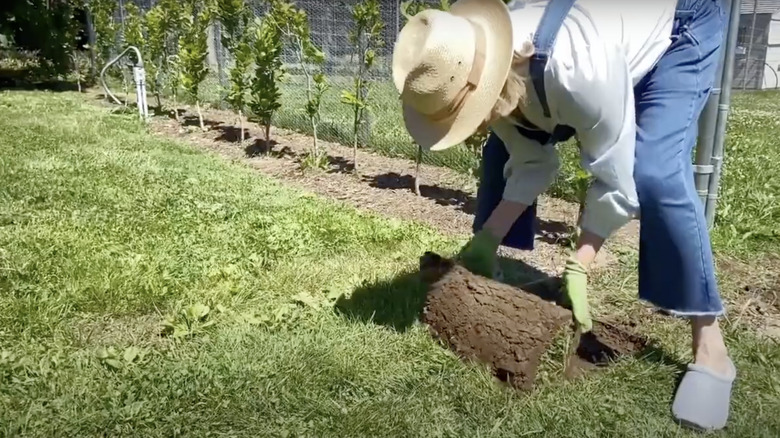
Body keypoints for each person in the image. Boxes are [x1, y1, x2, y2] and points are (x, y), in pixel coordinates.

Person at [391, 0, 736, 431]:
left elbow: (617, 179)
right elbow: (532, 161)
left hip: (682, 21)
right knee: (500, 147)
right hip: (585, 51)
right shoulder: (481, 61)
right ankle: (489, 264)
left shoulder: (578, 72)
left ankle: (710, 349)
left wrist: (581, 264)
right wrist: (488, 238)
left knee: (657, 171)